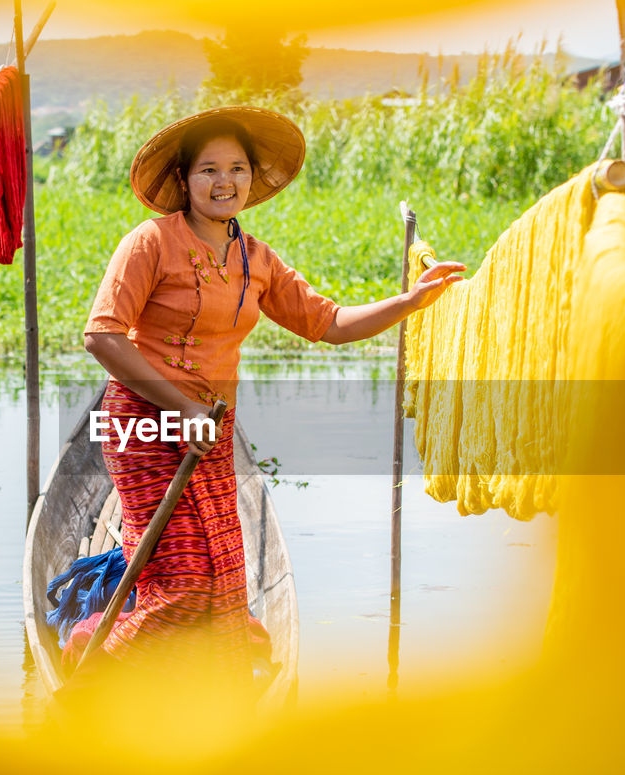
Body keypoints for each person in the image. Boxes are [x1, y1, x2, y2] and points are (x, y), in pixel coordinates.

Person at [76, 106, 465, 698]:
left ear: (252, 179)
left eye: (236, 168)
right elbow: (102, 334)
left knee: (223, 577)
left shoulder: (257, 259)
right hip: (144, 424)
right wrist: (180, 409)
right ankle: (97, 665)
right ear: (184, 180)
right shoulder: (151, 241)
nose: (224, 181)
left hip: (208, 428)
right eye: (208, 169)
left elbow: (329, 323)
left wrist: (409, 302)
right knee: (184, 587)